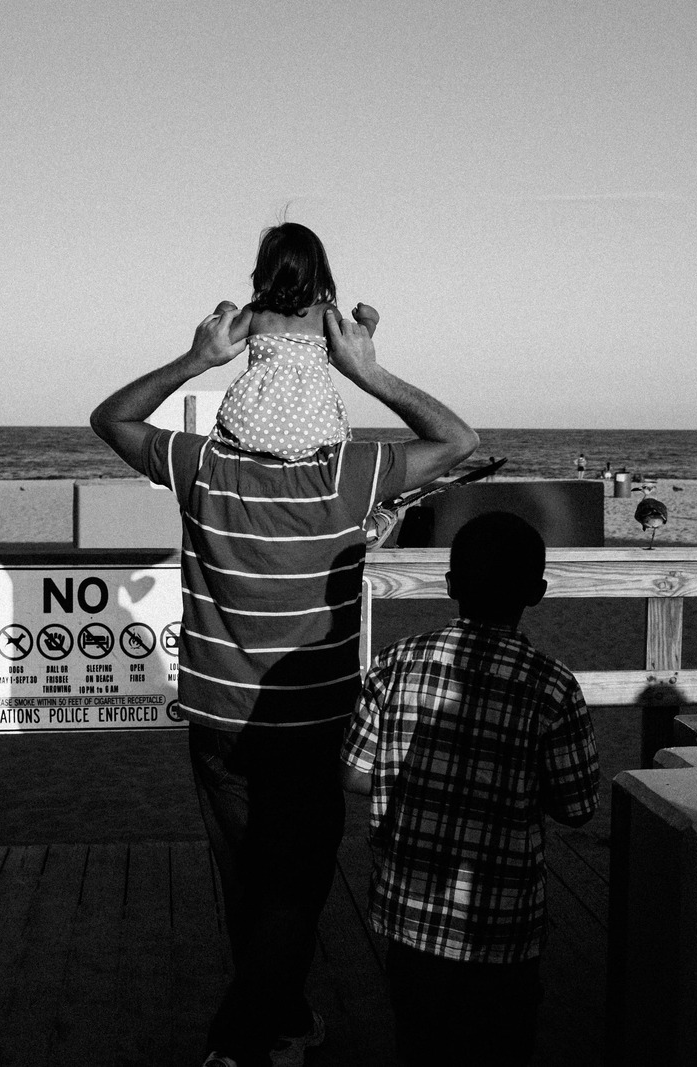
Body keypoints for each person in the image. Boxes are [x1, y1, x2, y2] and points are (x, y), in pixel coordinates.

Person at [90, 282, 478, 1067]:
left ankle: (286, 1018)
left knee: (250, 885)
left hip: (219, 719)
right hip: (311, 724)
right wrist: (370, 371)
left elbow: (112, 419)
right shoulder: (351, 475)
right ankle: (237, 1044)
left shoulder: (200, 464)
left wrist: (195, 359)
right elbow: (458, 439)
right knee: (293, 891)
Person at [341, 511, 600, 1067]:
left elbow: (354, 774)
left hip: (409, 912)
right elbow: (578, 807)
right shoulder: (552, 685)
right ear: (537, 593)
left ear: (451, 583)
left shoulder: (394, 662)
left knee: (420, 1043)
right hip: (501, 923)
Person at [212, 223, 380, 461]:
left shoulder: (255, 313)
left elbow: (222, 341)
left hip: (252, 424)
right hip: (312, 425)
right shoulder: (325, 313)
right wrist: (367, 323)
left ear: (264, 271)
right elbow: (352, 346)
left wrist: (222, 314)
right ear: (318, 272)